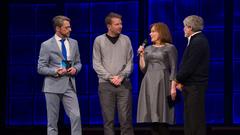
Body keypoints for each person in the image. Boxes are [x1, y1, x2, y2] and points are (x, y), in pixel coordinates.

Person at [37, 15, 82, 135]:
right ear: (58, 28)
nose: (70, 29)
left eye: (70, 27)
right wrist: (55, 71)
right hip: (52, 86)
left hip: (69, 85)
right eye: (67, 28)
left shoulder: (74, 43)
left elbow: (78, 63)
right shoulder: (46, 45)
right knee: (52, 121)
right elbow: (41, 68)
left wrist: (75, 69)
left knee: (76, 116)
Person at [92, 12, 134, 135]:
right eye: (117, 24)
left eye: (121, 23)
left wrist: (121, 77)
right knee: (108, 120)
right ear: (109, 26)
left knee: (126, 119)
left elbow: (130, 62)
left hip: (124, 85)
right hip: (105, 85)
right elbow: (96, 63)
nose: (120, 26)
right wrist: (110, 77)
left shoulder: (126, 39)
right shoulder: (99, 40)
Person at [137, 22, 178, 135]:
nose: (150, 34)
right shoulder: (148, 48)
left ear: (161, 32)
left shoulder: (170, 48)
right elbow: (143, 69)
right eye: (151, 31)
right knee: (152, 119)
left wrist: (173, 87)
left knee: (162, 118)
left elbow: (174, 68)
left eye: (153, 31)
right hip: (149, 81)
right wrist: (141, 55)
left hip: (163, 82)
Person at [175, 15, 209, 135]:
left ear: (190, 27)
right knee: (191, 118)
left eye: (184, 27)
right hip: (192, 86)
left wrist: (177, 80)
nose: (183, 29)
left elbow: (189, 66)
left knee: (194, 120)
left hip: (195, 86)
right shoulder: (197, 40)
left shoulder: (198, 42)